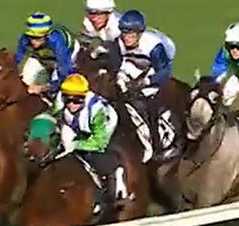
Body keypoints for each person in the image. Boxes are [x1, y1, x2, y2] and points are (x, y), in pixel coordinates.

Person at [111, 10, 177, 160]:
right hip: (129, 74)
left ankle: (157, 146)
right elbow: (117, 66)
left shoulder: (153, 46)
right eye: (124, 33)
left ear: (140, 33)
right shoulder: (118, 43)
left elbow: (164, 71)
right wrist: (121, 80)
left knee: (150, 107)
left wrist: (146, 82)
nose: (127, 38)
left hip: (151, 78)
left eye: (131, 34)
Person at [53, 74, 127, 205]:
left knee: (98, 158)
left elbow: (99, 142)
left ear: (84, 97)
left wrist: (76, 145)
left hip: (103, 130)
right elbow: (56, 118)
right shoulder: (60, 100)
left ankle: (116, 188)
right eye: (68, 100)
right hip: (76, 127)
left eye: (76, 100)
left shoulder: (97, 110)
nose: (71, 105)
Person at [15, 12, 79, 96]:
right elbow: (18, 59)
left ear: (47, 35)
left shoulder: (57, 41)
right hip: (41, 55)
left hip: (64, 55)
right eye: (31, 37)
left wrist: (44, 88)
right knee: (25, 80)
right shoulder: (24, 39)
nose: (33, 41)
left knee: (56, 86)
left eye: (38, 38)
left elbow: (64, 71)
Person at [211, 21, 239, 108]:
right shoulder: (225, 52)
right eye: (231, 46)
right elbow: (218, 69)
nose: (234, 50)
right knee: (225, 98)